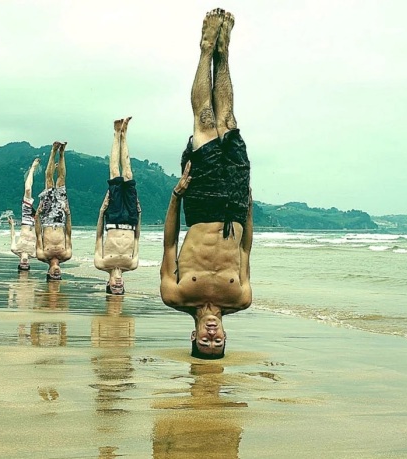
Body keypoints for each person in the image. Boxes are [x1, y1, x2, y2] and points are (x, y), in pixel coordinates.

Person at [159, 9, 253, 359]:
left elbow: (169, 246)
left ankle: (205, 49)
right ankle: (224, 55)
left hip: (198, 207)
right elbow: (245, 251)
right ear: (226, 337)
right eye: (217, 342)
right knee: (228, 119)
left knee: (205, 121)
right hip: (234, 205)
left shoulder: (176, 295)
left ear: (193, 336)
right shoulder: (241, 298)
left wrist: (175, 197)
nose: (211, 336)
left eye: (204, 342)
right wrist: (248, 205)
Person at [94, 116, 141, 295]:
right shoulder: (132, 265)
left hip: (112, 219)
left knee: (115, 174)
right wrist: (139, 213)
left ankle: (116, 134)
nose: (118, 284)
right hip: (130, 219)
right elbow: (137, 238)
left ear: (108, 283)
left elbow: (99, 237)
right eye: (120, 287)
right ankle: (125, 134)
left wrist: (101, 212)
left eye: (114, 286)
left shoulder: (101, 263)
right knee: (128, 174)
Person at [35, 141, 72, 281]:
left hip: (47, 220)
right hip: (61, 220)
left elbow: (38, 234)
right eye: (59, 276)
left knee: (49, 181)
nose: (57, 273)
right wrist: (68, 214)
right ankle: (62, 153)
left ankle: (53, 151)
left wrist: (37, 214)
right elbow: (68, 233)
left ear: (48, 272)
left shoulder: (42, 255)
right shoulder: (66, 255)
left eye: (53, 275)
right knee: (61, 181)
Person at [9, 157, 40, 271]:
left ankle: (32, 169)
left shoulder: (15, 249)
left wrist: (11, 225)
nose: (24, 264)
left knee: (27, 190)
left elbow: (13, 236)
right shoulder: (35, 254)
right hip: (38, 222)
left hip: (27, 220)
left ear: (19, 263)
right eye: (26, 266)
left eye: (22, 265)